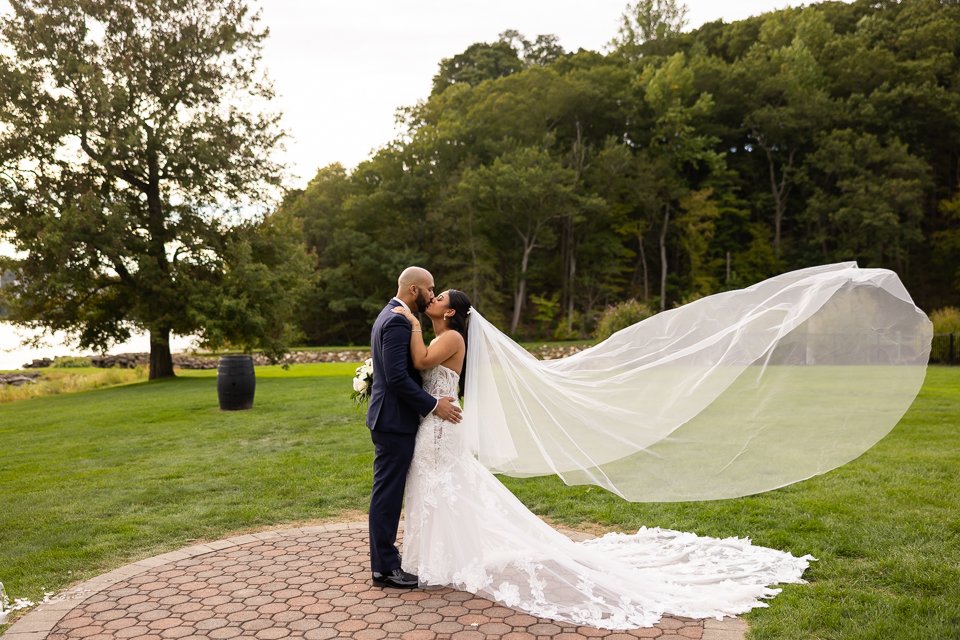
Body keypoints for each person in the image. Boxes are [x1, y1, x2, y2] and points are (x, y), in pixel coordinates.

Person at [388, 264, 930, 629]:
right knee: (445, 489)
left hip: (441, 426)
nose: (433, 299)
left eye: (439, 299)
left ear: (451, 313)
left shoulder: (448, 336)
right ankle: (439, 558)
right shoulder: (447, 331)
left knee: (446, 487)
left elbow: (417, 362)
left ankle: (443, 560)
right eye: (430, 295)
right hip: (439, 427)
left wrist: (406, 319)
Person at [366, 267, 461, 589]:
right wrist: (434, 405)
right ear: (415, 290)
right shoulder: (396, 320)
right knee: (388, 497)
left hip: (394, 420)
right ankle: (384, 569)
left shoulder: (390, 315)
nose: (433, 294)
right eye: (430, 289)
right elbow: (396, 377)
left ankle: (390, 562)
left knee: (391, 494)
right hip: (394, 422)